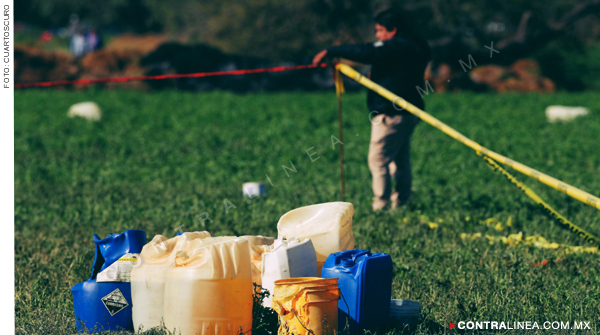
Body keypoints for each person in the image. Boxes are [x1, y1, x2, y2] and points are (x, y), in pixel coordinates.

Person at [313, 8, 431, 211]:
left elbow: (369, 51)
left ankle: (381, 205)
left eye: (379, 31)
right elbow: (397, 68)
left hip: (391, 113)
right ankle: (402, 202)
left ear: (392, 30)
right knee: (399, 158)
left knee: (378, 159)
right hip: (409, 111)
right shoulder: (418, 45)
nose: (377, 36)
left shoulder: (398, 46)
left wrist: (333, 51)